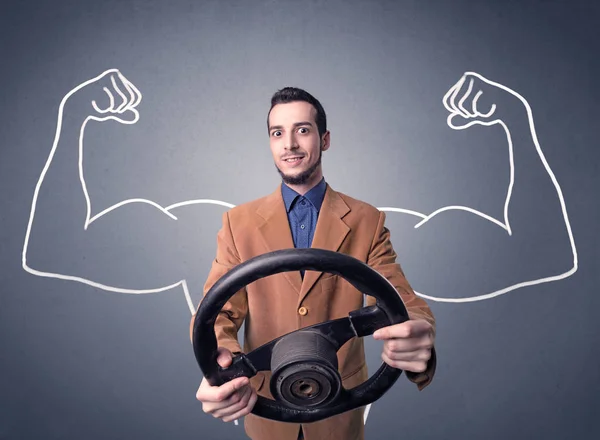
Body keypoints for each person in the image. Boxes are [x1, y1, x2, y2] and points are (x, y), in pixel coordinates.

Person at [191, 87, 436, 440]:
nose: (289, 144)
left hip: (340, 410)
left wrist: (417, 333)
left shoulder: (368, 220)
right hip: (265, 409)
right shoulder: (237, 223)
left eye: (302, 130)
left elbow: (402, 300)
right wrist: (221, 367)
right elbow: (217, 314)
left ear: (325, 139)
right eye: (278, 133)